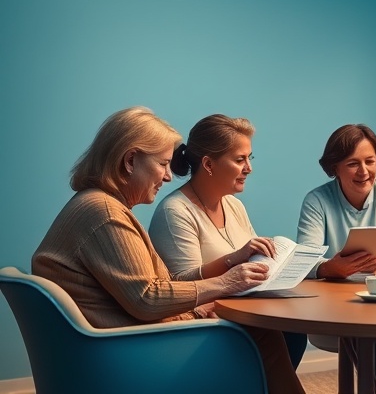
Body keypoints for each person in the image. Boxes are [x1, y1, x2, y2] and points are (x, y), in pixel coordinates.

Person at [31, 107, 305, 394]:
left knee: (270, 331)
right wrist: (226, 283)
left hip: (113, 345)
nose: (168, 176)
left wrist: (211, 293)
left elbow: (150, 290)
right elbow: (148, 299)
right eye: (163, 164)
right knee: (262, 332)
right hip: (127, 352)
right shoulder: (105, 214)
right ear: (130, 161)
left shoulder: (97, 205)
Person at [149, 114, 307, 368]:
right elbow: (180, 285)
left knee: (293, 326)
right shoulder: (174, 211)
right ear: (208, 164)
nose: (249, 168)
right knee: (283, 333)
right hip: (205, 324)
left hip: (243, 311)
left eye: (249, 158)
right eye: (240, 160)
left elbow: (254, 260)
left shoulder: (233, 205)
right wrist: (233, 259)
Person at [297, 124, 376, 394]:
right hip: (335, 308)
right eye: (353, 164)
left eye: (370, 161)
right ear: (335, 167)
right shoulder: (317, 200)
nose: (364, 171)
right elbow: (305, 260)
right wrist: (330, 268)